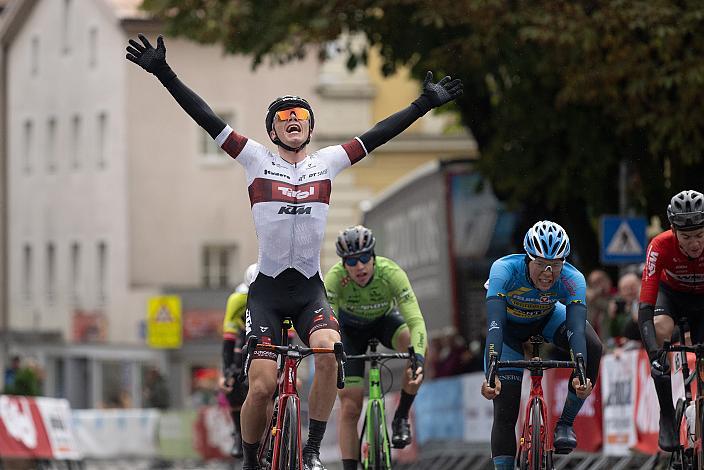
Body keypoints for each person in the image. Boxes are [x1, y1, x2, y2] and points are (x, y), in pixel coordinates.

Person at [125, 34, 462, 470]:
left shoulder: (328, 162)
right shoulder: (254, 159)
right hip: (266, 292)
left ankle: (311, 448)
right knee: (261, 388)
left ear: (310, 124)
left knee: (327, 352)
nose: (293, 120)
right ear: (272, 128)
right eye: (283, 116)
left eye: (300, 114)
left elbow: (378, 134)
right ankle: (250, 459)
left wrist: (422, 104)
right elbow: (205, 116)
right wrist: (164, 73)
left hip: (308, 290)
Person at [480, 221, 603, 470]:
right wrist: (491, 374)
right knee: (505, 410)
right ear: (527, 259)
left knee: (592, 345)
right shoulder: (504, 269)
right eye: (540, 264)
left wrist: (580, 371)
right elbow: (494, 325)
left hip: (547, 319)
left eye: (556, 264)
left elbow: (577, 330)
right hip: (508, 330)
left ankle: (566, 423)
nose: (548, 272)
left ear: (564, 263)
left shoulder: (573, 279)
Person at [324, 225, 426, 470]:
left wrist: (418, 358)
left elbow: (415, 321)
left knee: (414, 349)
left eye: (364, 258)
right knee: (350, 405)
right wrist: (335, 356)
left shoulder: (391, 273)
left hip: (384, 322)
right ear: (343, 263)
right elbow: (329, 326)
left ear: (373, 256)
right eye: (351, 261)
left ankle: (401, 417)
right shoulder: (335, 278)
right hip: (349, 332)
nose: (359, 266)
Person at [638, 190, 704, 452]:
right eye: (687, 237)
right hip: (671, 297)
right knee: (660, 329)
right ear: (673, 232)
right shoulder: (660, 245)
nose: (695, 243)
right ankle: (666, 416)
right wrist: (654, 353)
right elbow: (645, 307)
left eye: (700, 235)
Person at [220, 263, 258, 458]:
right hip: (244, 337)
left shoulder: (281, 297)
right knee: (232, 379)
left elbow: (290, 335)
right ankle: (238, 433)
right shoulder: (237, 300)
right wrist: (226, 373)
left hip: (270, 334)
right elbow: (228, 340)